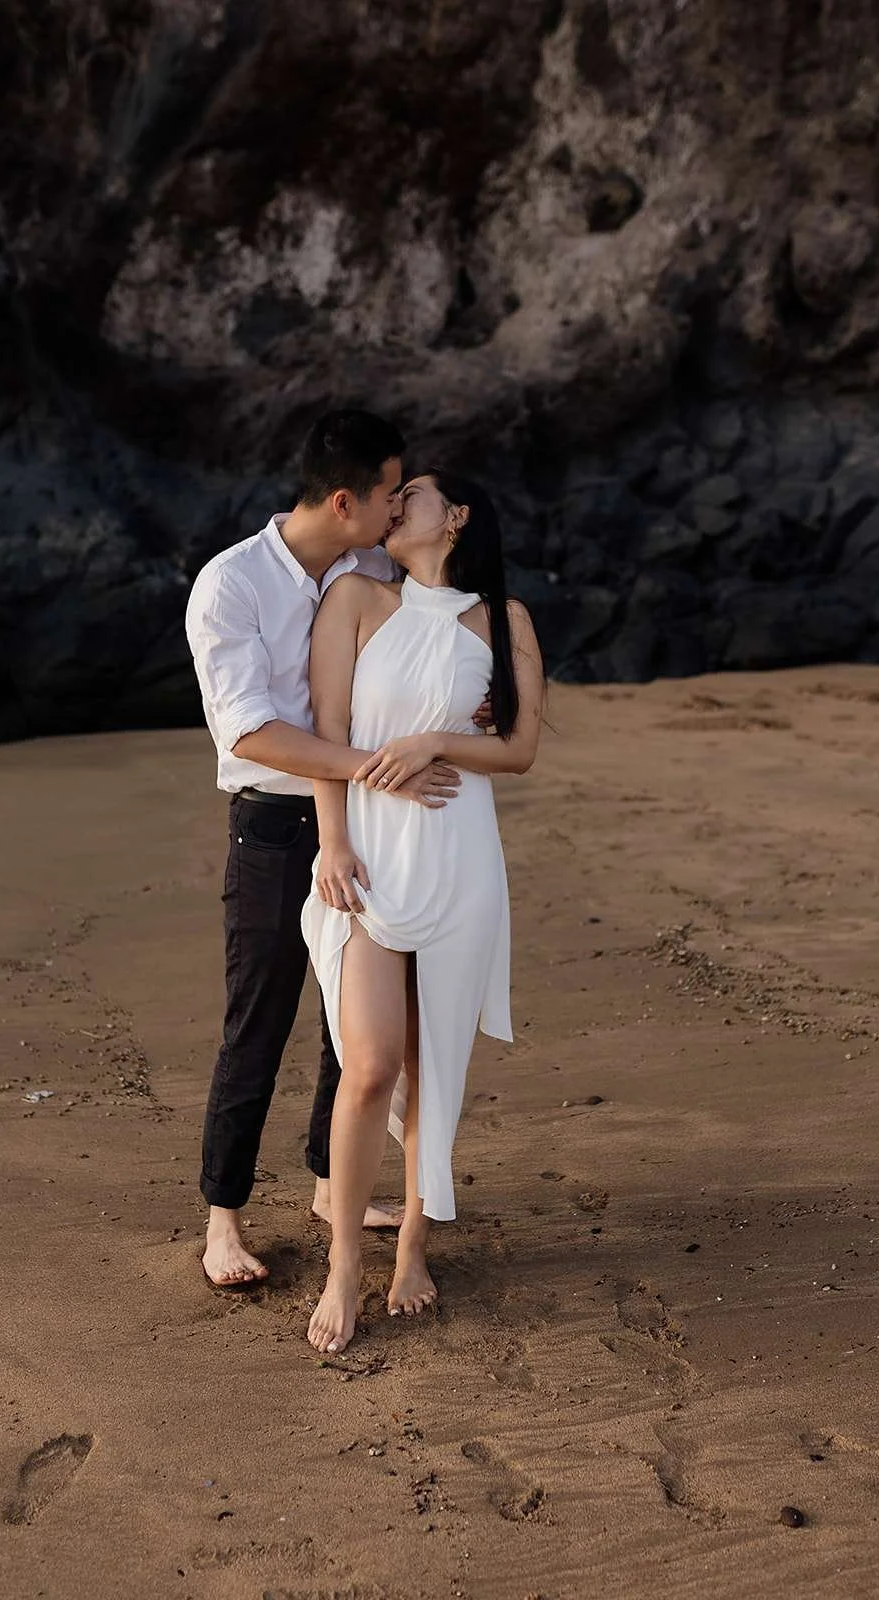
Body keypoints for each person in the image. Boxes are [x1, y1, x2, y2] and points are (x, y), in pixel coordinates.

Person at [185, 412, 465, 1288]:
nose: (396, 509)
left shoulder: (369, 568)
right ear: (343, 501)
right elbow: (251, 732)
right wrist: (378, 767)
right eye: (388, 494)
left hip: (369, 819)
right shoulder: (230, 584)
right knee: (258, 1020)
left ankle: (326, 1183)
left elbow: (423, 648)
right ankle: (222, 1221)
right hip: (274, 825)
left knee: (351, 1024)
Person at [301, 470, 544, 1353]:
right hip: (368, 856)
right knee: (368, 1067)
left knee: (434, 1064)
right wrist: (332, 842)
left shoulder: (503, 620)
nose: (396, 503)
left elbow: (518, 749)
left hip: (460, 859)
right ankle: (342, 1265)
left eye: (415, 494)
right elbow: (326, 730)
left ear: (459, 517)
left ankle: (411, 1246)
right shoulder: (356, 599)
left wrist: (436, 741)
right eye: (390, 496)